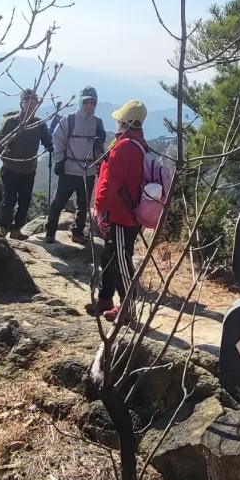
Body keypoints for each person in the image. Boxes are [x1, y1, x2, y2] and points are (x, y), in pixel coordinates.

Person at [88, 99, 148, 321]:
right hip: (125, 212)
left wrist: (100, 207)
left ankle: (127, 309)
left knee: (120, 261)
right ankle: (105, 299)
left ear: (124, 122)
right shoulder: (136, 143)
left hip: (122, 215)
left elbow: (110, 182)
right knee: (109, 257)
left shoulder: (124, 147)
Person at [45, 85, 106, 244]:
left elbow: (101, 149)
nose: (89, 105)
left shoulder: (98, 123)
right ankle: (50, 232)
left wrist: (100, 160)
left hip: (89, 171)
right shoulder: (69, 120)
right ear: (81, 102)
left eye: (92, 102)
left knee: (84, 205)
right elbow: (58, 139)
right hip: (69, 169)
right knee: (59, 201)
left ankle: (77, 233)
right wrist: (59, 161)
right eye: (86, 102)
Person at [0, 89, 52, 235]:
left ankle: (16, 229)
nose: (31, 105)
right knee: (9, 200)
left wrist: (50, 144)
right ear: (21, 104)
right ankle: (3, 227)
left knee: (25, 201)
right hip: (10, 167)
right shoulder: (11, 122)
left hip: (29, 169)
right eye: (27, 102)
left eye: (34, 102)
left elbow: (46, 140)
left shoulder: (39, 124)